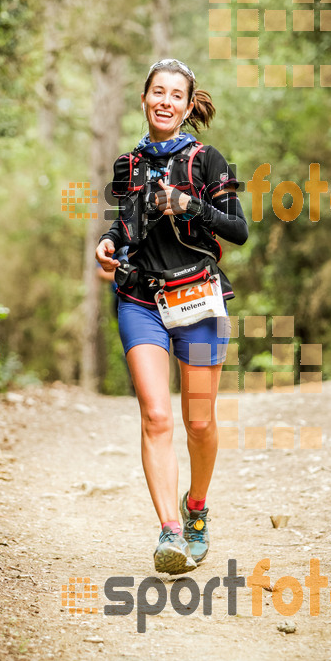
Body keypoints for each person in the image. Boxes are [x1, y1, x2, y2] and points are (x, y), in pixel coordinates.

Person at [95, 58, 248, 575]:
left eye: (175, 94)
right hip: (141, 300)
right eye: (156, 92)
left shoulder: (209, 161)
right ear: (144, 99)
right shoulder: (128, 164)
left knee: (198, 421)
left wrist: (189, 204)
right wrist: (107, 243)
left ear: (186, 105)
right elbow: (125, 224)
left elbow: (238, 229)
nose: (164, 101)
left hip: (199, 303)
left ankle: (197, 510)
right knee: (157, 416)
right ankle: (170, 533)